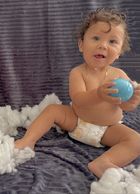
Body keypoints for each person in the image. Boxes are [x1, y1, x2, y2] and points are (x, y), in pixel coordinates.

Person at [15, 7, 140, 178]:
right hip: (77, 122)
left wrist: (131, 102)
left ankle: (104, 162)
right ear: (81, 44)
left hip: (107, 130)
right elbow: (78, 99)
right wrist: (98, 94)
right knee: (53, 110)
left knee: (136, 141)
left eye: (112, 42)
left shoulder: (120, 76)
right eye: (96, 38)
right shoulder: (78, 72)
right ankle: (28, 141)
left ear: (119, 52)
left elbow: (123, 105)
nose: (103, 45)